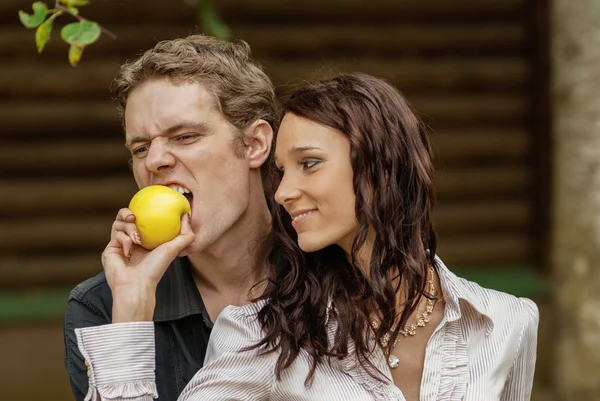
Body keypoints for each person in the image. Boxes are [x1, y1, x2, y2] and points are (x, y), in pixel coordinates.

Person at [76, 73, 539, 401]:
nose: (283, 191)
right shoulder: (262, 334)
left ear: (381, 165)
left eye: (310, 163)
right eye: (281, 171)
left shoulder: (509, 321)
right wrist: (132, 307)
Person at [63, 34, 276, 401]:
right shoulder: (100, 307)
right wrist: (131, 311)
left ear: (254, 144)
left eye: (185, 136)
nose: (154, 161)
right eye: (141, 147)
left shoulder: (337, 270)